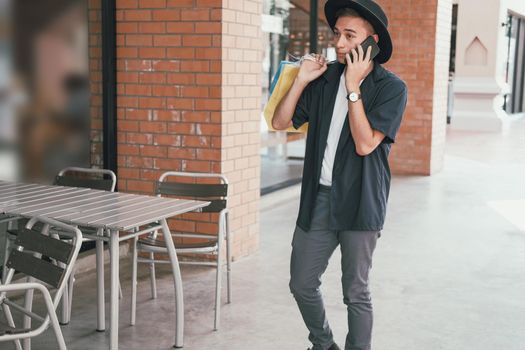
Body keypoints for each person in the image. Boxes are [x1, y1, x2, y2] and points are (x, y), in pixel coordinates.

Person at [272, 1, 408, 349]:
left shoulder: (391, 88)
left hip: (361, 201)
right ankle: (323, 343)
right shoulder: (323, 78)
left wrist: (353, 86)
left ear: (372, 41)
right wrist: (302, 80)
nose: (340, 43)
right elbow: (279, 122)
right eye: (337, 34)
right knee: (301, 282)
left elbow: (365, 144)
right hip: (319, 197)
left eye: (350, 35)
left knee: (356, 292)